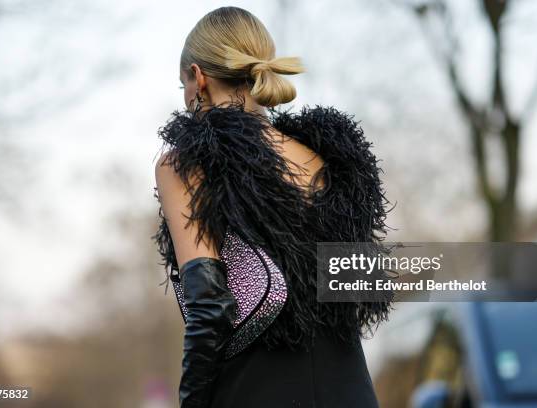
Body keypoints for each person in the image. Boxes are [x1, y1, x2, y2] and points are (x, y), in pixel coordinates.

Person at [152, 6, 393, 408]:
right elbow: (355, 294)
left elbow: (209, 308)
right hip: (351, 391)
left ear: (198, 77)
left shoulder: (187, 162)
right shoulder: (328, 160)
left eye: (183, 87)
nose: (186, 98)